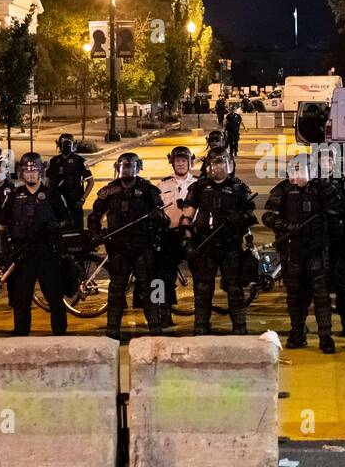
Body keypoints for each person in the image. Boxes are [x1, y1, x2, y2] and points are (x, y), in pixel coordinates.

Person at [263, 153, 339, 353]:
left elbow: (336, 207)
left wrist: (321, 185)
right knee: (295, 294)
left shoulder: (321, 188)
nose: (300, 173)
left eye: (304, 169)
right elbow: (268, 215)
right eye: (296, 169)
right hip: (292, 250)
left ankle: (325, 336)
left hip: (316, 249)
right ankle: (297, 332)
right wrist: (287, 225)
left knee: (321, 295)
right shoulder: (283, 190)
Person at [89, 152, 167, 339]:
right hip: (118, 247)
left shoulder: (148, 190)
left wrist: (157, 217)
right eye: (123, 166)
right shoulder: (110, 191)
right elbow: (94, 216)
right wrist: (96, 233)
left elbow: (163, 219)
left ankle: (155, 326)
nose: (127, 170)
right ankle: (112, 328)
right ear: (118, 168)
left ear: (138, 168)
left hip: (142, 246)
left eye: (131, 166)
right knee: (116, 289)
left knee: (148, 288)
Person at [181, 148, 256, 335]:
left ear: (228, 165)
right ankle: (200, 326)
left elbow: (251, 216)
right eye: (212, 164)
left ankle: (239, 327)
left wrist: (238, 219)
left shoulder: (239, 188)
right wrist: (188, 242)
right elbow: (186, 218)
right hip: (205, 244)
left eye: (220, 163)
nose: (216, 167)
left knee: (234, 288)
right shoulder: (199, 187)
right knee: (203, 289)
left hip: (230, 245)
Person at [0, 152, 71, 337]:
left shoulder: (52, 195)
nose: (30, 175)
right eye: (27, 171)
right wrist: (3, 251)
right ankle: (21, 334)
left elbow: (67, 220)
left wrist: (57, 225)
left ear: (41, 172)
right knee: (21, 299)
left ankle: (60, 334)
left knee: (54, 297)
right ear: (22, 173)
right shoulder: (14, 196)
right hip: (23, 255)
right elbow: (1, 226)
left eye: (34, 171)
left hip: (47, 253)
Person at [317, 145, 345, 337]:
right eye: (323, 159)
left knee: (342, 284)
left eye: (330, 159)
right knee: (316, 285)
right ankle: (318, 328)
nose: (327, 162)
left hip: (339, 240)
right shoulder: (310, 181)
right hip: (315, 241)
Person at [158, 145, 198, 327]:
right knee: (162, 277)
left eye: (184, 161)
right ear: (172, 163)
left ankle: (202, 316)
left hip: (193, 236)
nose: (180, 164)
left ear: (190, 163)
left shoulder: (199, 183)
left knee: (201, 276)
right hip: (170, 235)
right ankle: (162, 314)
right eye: (177, 161)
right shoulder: (163, 184)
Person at [47, 132, 92, 228]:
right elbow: (48, 181)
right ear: (59, 145)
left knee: (77, 231)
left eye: (68, 143)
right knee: (58, 229)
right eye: (64, 143)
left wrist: (83, 198)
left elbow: (91, 182)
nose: (66, 146)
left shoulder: (80, 161)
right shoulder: (54, 161)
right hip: (57, 201)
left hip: (75, 201)